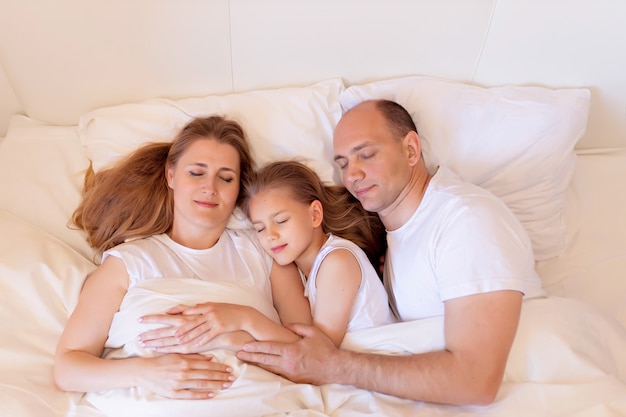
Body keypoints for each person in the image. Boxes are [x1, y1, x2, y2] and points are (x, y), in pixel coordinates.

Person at [236, 99, 546, 406]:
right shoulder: (397, 241)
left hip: (528, 395)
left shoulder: (465, 219)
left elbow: (475, 380)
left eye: (366, 155)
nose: (352, 175)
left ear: (411, 150)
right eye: (342, 164)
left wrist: (334, 365)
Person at [53, 115, 311, 400]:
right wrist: (145, 371)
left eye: (225, 178)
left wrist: (245, 319)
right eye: (196, 173)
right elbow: (67, 368)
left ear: (238, 188)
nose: (210, 188)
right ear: (171, 176)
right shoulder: (128, 262)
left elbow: (310, 357)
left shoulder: (265, 254)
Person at [241, 160, 395, 347]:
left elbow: (319, 354)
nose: (270, 236)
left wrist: (247, 321)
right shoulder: (299, 273)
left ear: (314, 215)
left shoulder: (337, 261)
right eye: (260, 229)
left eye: (281, 221)